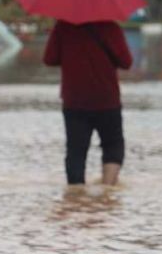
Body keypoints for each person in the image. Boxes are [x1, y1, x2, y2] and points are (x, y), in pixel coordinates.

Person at [42, 19, 134, 186]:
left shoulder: (63, 27)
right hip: (106, 98)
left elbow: (49, 59)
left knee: (76, 151)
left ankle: (76, 198)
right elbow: (126, 62)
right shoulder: (110, 27)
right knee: (112, 144)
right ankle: (108, 190)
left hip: (74, 99)